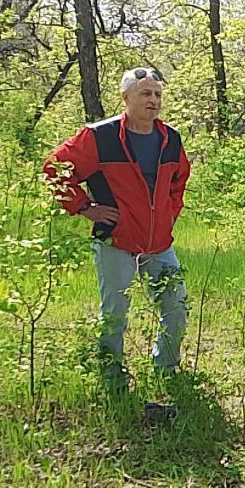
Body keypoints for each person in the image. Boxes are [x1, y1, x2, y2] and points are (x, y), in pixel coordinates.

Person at [44, 67, 192, 392]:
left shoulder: (170, 139)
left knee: (177, 307)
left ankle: (166, 371)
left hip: (159, 245)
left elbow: (179, 181)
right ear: (126, 97)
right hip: (116, 241)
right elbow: (55, 169)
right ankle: (112, 380)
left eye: (157, 94)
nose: (153, 100)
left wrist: (169, 215)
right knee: (115, 315)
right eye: (145, 93)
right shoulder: (101, 137)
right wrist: (85, 207)